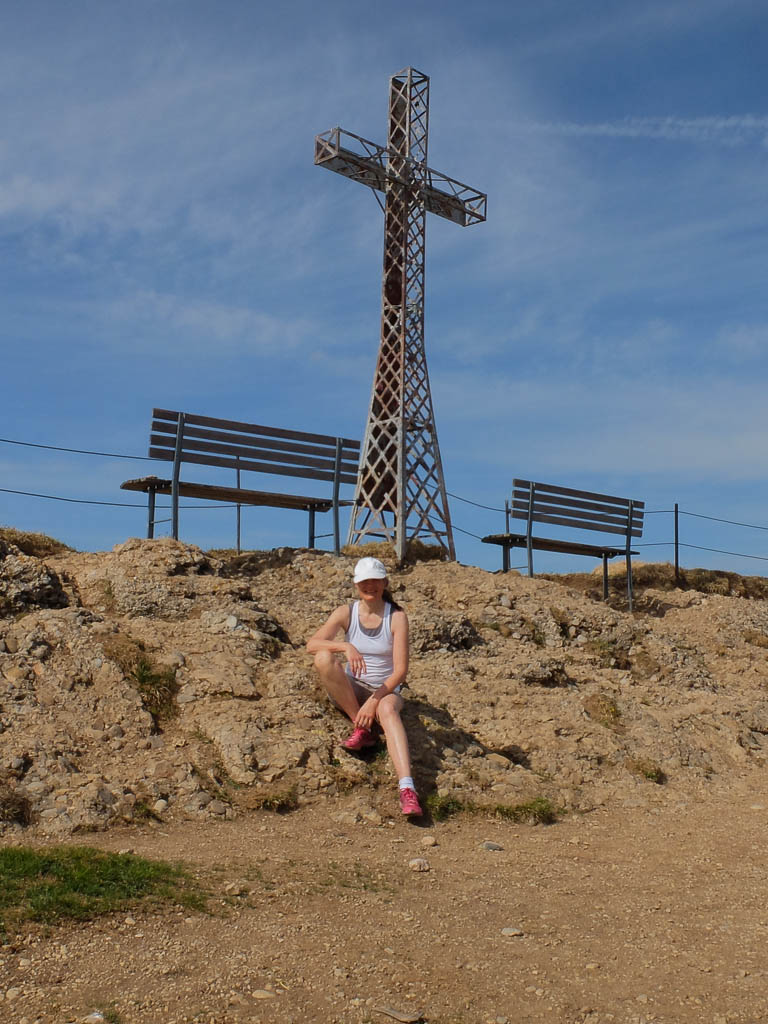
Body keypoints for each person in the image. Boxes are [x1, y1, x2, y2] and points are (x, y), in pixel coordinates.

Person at [307, 556, 423, 817]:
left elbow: (401, 671)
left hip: (385, 690)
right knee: (323, 658)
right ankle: (362, 729)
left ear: (384, 583)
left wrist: (375, 699)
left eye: (375, 581)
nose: (370, 586)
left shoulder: (396, 617)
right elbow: (312, 644)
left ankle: (407, 789)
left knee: (388, 711)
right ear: (356, 584)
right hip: (352, 688)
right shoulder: (346, 612)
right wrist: (345, 646)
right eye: (364, 582)